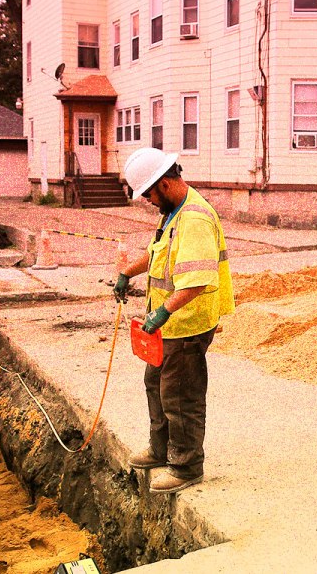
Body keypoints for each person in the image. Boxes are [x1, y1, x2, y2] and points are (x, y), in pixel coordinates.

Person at [113, 147, 234, 494]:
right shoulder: (172, 213)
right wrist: (126, 272)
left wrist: (163, 311)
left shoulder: (194, 218)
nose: (147, 201)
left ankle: (186, 466)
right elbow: (156, 256)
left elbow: (197, 280)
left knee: (180, 394)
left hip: (188, 322)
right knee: (156, 383)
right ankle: (161, 449)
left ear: (164, 184)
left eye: (148, 193)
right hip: (169, 325)